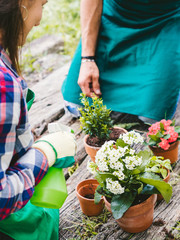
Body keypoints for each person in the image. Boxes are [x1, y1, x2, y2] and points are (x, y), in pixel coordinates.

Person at [0, 0, 76, 239]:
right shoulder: (4, 84)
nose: (40, 18)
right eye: (41, 4)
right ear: (21, 5)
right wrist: (45, 153)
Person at [61, 0, 180, 123]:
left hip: (164, 22)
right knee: (75, 106)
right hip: (114, 18)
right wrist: (87, 59)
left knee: (152, 117)